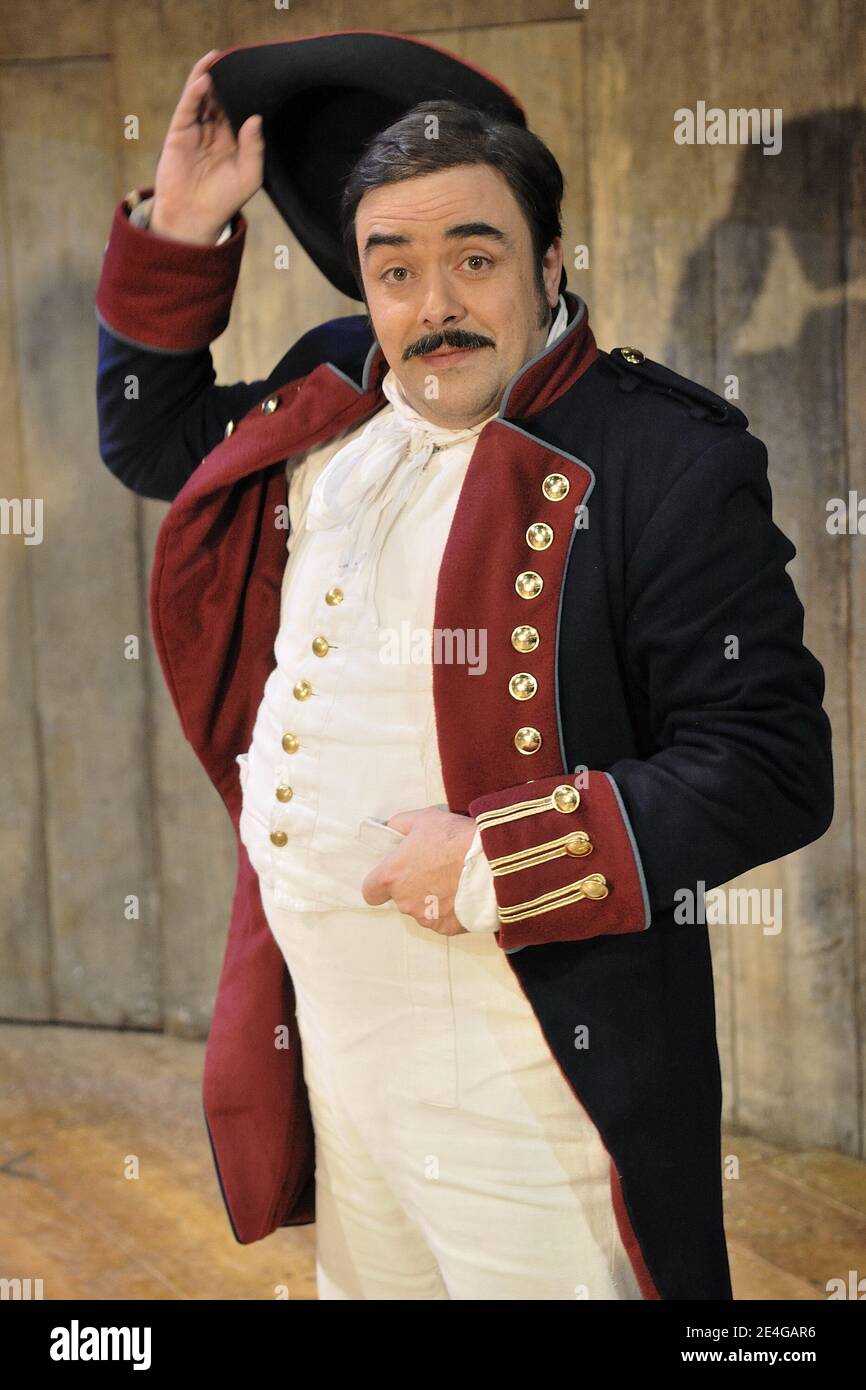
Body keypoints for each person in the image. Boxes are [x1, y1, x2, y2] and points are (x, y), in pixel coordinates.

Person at [94, 42, 834, 1300]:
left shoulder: (659, 457)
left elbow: (768, 765)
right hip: (326, 1013)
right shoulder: (331, 388)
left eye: (475, 258)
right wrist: (179, 225)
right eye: (395, 269)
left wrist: (499, 855)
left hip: (524, 1043)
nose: (433, 302)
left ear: (548, 263)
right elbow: (150, 431)